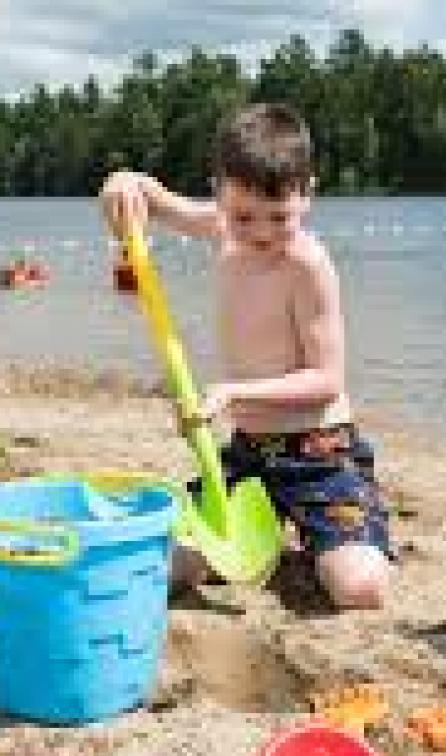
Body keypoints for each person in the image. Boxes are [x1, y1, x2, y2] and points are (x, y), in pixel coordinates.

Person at [100, 103, 391, 610]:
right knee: (166, 566)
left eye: (280, 217)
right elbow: (149, 198)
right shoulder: (222, 230)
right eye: (243, 217)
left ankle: (334, 537)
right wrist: (121, 185)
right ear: (219, 193)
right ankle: (270, 536)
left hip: (318, 454)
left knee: (359, 588)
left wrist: (233, 392)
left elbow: (326, 378)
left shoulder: (307, 265)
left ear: (308, 194)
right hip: (247, 456)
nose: (260, 233)